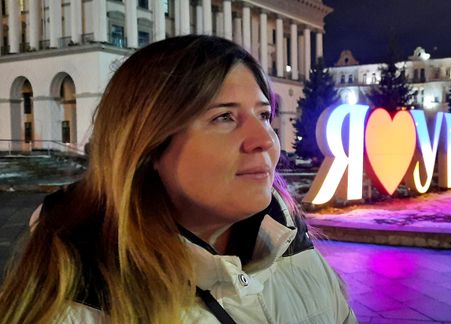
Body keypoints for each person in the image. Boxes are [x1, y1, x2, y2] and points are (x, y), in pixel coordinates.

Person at [0, 35, 356, 324]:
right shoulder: (81, 306)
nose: (265, 139)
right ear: (149, 144)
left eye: (263, 115)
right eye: (224, 118)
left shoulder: (296, 251)